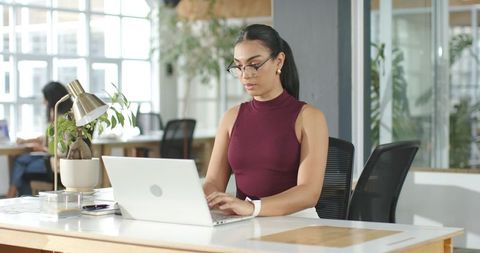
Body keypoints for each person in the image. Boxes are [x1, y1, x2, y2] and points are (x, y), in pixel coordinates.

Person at [203, 24, 329, 217]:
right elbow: (213, 182)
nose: (246, 75)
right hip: (244, 224)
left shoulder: (309, 117)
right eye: (239, 66)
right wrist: (195, 200)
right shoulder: (231, 117)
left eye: (254, 65)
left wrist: (254, 207)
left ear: (279, 61)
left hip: (295, 226)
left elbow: (309, 192)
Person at [6, 81, 72, 198]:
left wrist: (42, 148)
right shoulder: (56, 115)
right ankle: (17, 196)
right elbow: (50, 138)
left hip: (54, 163)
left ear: (53, 99)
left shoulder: (64, 120)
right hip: (48, 158)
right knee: (20, 161)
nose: (43, 102)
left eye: (45, 99)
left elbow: (61, 152)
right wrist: (27, 141)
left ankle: (13, 195)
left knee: (21, 167)